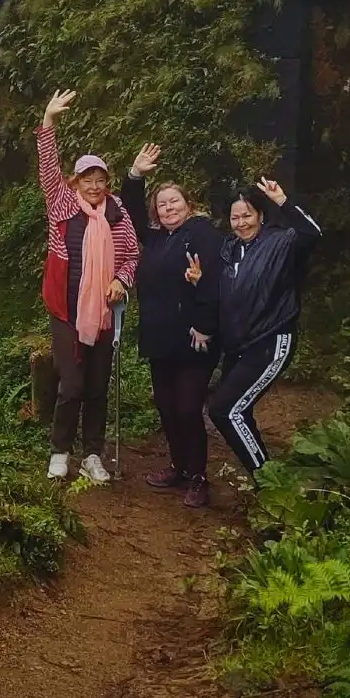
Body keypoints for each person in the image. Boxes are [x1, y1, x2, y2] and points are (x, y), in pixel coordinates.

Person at [37, 89, 139, 484]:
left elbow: (132, 255)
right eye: (87, 179)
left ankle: (93, 454)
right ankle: (60, 450)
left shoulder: (118, 215)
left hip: (104, 312)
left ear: (107, 183)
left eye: (100, 180)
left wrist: (120, 279)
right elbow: (48, 169)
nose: (94, 186)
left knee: (97, 386)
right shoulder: (63, 205)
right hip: (66, 309)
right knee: (72, 384)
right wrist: (49, 122)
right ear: (75, 181)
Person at [120, 142, 222, 509]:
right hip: (160, 338)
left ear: (188, 204)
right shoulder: (158, 238)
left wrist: (206, 325)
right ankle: (178, 466)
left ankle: (198, 477)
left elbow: (215, 282)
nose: (168, 208)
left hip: (194, 338)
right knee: (165, 405)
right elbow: (130, 216)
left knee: (187, 407)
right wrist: (134, 176)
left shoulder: (202, 233)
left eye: (174, 202)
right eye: (162, 204)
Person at [203, 177, 321, 475]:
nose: (241, 223)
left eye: (247, 215)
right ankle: (266, 478)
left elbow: (312, 233)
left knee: (225, 410)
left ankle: (267, 481)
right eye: (235, 217)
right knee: (237, 410)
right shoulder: (228, 250)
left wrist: (283, 200)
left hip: (270, 339)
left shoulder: (279, 242)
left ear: (260, 215)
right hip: (237, 346)